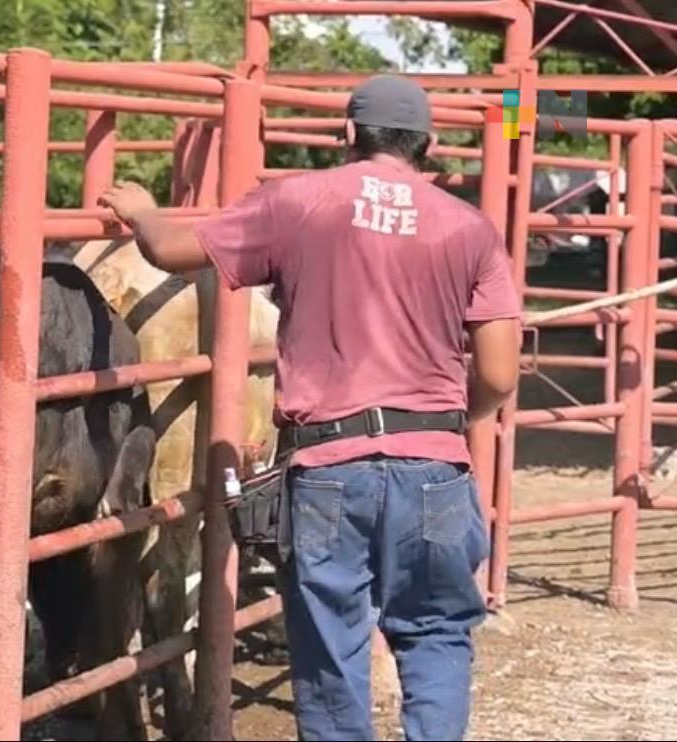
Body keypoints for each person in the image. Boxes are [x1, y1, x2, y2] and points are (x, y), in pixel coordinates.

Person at [97, 74, 522, 741]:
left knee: (331, 645)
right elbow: (498, 372)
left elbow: (172, 251)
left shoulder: (298, 200)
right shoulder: (470, 229)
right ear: (429, 144)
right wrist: (446, 425)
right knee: (437, 633)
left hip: (328, 466)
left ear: (348, 133)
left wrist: (144, 211)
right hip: (434, 467)